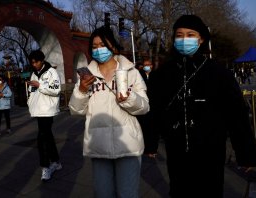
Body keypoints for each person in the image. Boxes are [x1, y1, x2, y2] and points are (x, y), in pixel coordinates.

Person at [147, 15, 256, 197]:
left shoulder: (218, 72)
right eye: (179, 35)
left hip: (211, 151)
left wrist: (245, 152)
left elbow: (236, 114)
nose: (185, 39)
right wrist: (150, 142)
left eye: (190, 34)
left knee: (211, 191)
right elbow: (153, 110)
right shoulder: (163, 74)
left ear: (201, 39)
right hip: (176, 151)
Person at [68, 26, 149, 197]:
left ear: (112, 45)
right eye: (94, 46)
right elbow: (76, 110)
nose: (99, 49)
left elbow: (144, 107)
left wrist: (128, 98)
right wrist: (82, 90)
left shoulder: (131, 72)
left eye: (102, 44)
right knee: (103, 193)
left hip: (128, 144)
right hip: (98, 146)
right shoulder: (86, 76)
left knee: (128, 194)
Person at [27, 49, 62, 182]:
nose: (34, 65)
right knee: (47, 136)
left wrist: (40, 85)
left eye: (36, 62)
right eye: (32, 63)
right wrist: (30, 100)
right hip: (38, 110)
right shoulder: (34, 74)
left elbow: (56, 90)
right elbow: (31, 90)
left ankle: (45, 166)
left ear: (42, 61)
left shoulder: (52, 72)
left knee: (42, 138)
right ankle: (56, 161)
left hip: (47, 110)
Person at [137, 59, 159, 158]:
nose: (146, 66)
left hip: (154, 106)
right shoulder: (139, 75)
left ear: (152, 66)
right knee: (144, 128)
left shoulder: (157, 75)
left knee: (154, 129)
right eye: (145, 64)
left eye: (148, 64)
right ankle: (145, 148)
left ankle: (153, 149)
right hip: (143, 105)